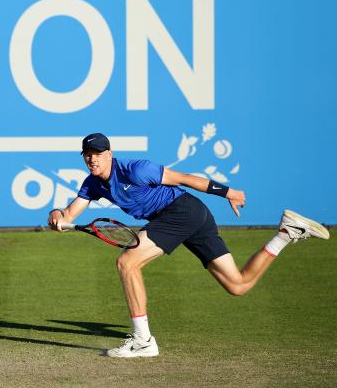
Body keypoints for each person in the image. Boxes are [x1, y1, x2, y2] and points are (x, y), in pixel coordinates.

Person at [47, 133, 330, 358]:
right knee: (238, 285)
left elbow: (185, 179)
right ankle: (287, 232)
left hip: (182, 211)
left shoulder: (136, 169)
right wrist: (56, 215)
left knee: (127, 262)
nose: (92, 159)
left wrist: (229, 192)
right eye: (87, 155)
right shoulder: (93, 184)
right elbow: (70, 214)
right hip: (189, 217)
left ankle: (143, 341)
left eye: (97, 153)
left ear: (109, 154)